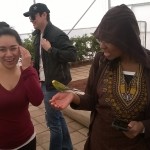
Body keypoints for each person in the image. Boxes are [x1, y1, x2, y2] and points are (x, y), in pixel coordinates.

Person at [50, 4, 150, 150]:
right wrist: (73, 96)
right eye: (100, 40)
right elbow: (91, 100)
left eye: (107, 40)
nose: (102, 46)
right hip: (100, 143)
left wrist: (143, 126)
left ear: (126, 39)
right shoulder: (101, 61)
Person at [23, 3, 77, 150]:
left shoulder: (57, 34)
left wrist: (51, 49)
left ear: (44, 15)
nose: (31, 20)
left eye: (33, 16)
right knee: (58, 118)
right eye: (29, 17)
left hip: (55, 84)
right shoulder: (37, 36)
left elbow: (73, 55)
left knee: (53, 123)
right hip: (43, 82)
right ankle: (67, 147)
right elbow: (40, 60)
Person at [0, 27, 43, 149]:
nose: (8, 54)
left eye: (13, 48)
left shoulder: (28, 72)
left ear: (21, 49)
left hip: (27, 140)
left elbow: (37, 100)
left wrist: (27, 68)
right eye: (2, 49)